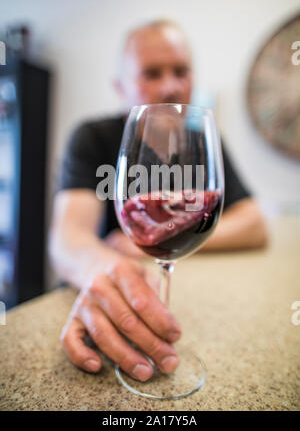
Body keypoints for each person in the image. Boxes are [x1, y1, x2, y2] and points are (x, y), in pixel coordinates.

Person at [49, 20, 268, 382]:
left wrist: (152, 239)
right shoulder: (93, 137)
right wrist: (106, 269)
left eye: (180, 71)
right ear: (120, 86)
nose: (170, 85)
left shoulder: (203, 140)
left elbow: (255, 224)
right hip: (100, 300)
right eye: (151, 73)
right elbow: (66, 238)